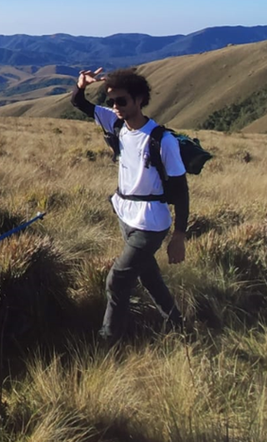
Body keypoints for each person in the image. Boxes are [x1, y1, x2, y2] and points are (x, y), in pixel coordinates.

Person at [71, 67, 188, 341]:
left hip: (151, 222)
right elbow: (78, 103)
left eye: (121, 101)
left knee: (118, 280)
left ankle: (108, 341)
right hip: (125, 215)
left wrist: (179, 236)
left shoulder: (163, 140)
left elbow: (181, 191)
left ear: (139, 100)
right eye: (111, 101)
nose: (115, 106)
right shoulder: (115, 122)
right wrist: (81, 85)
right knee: (149, 277)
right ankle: (178, 326)